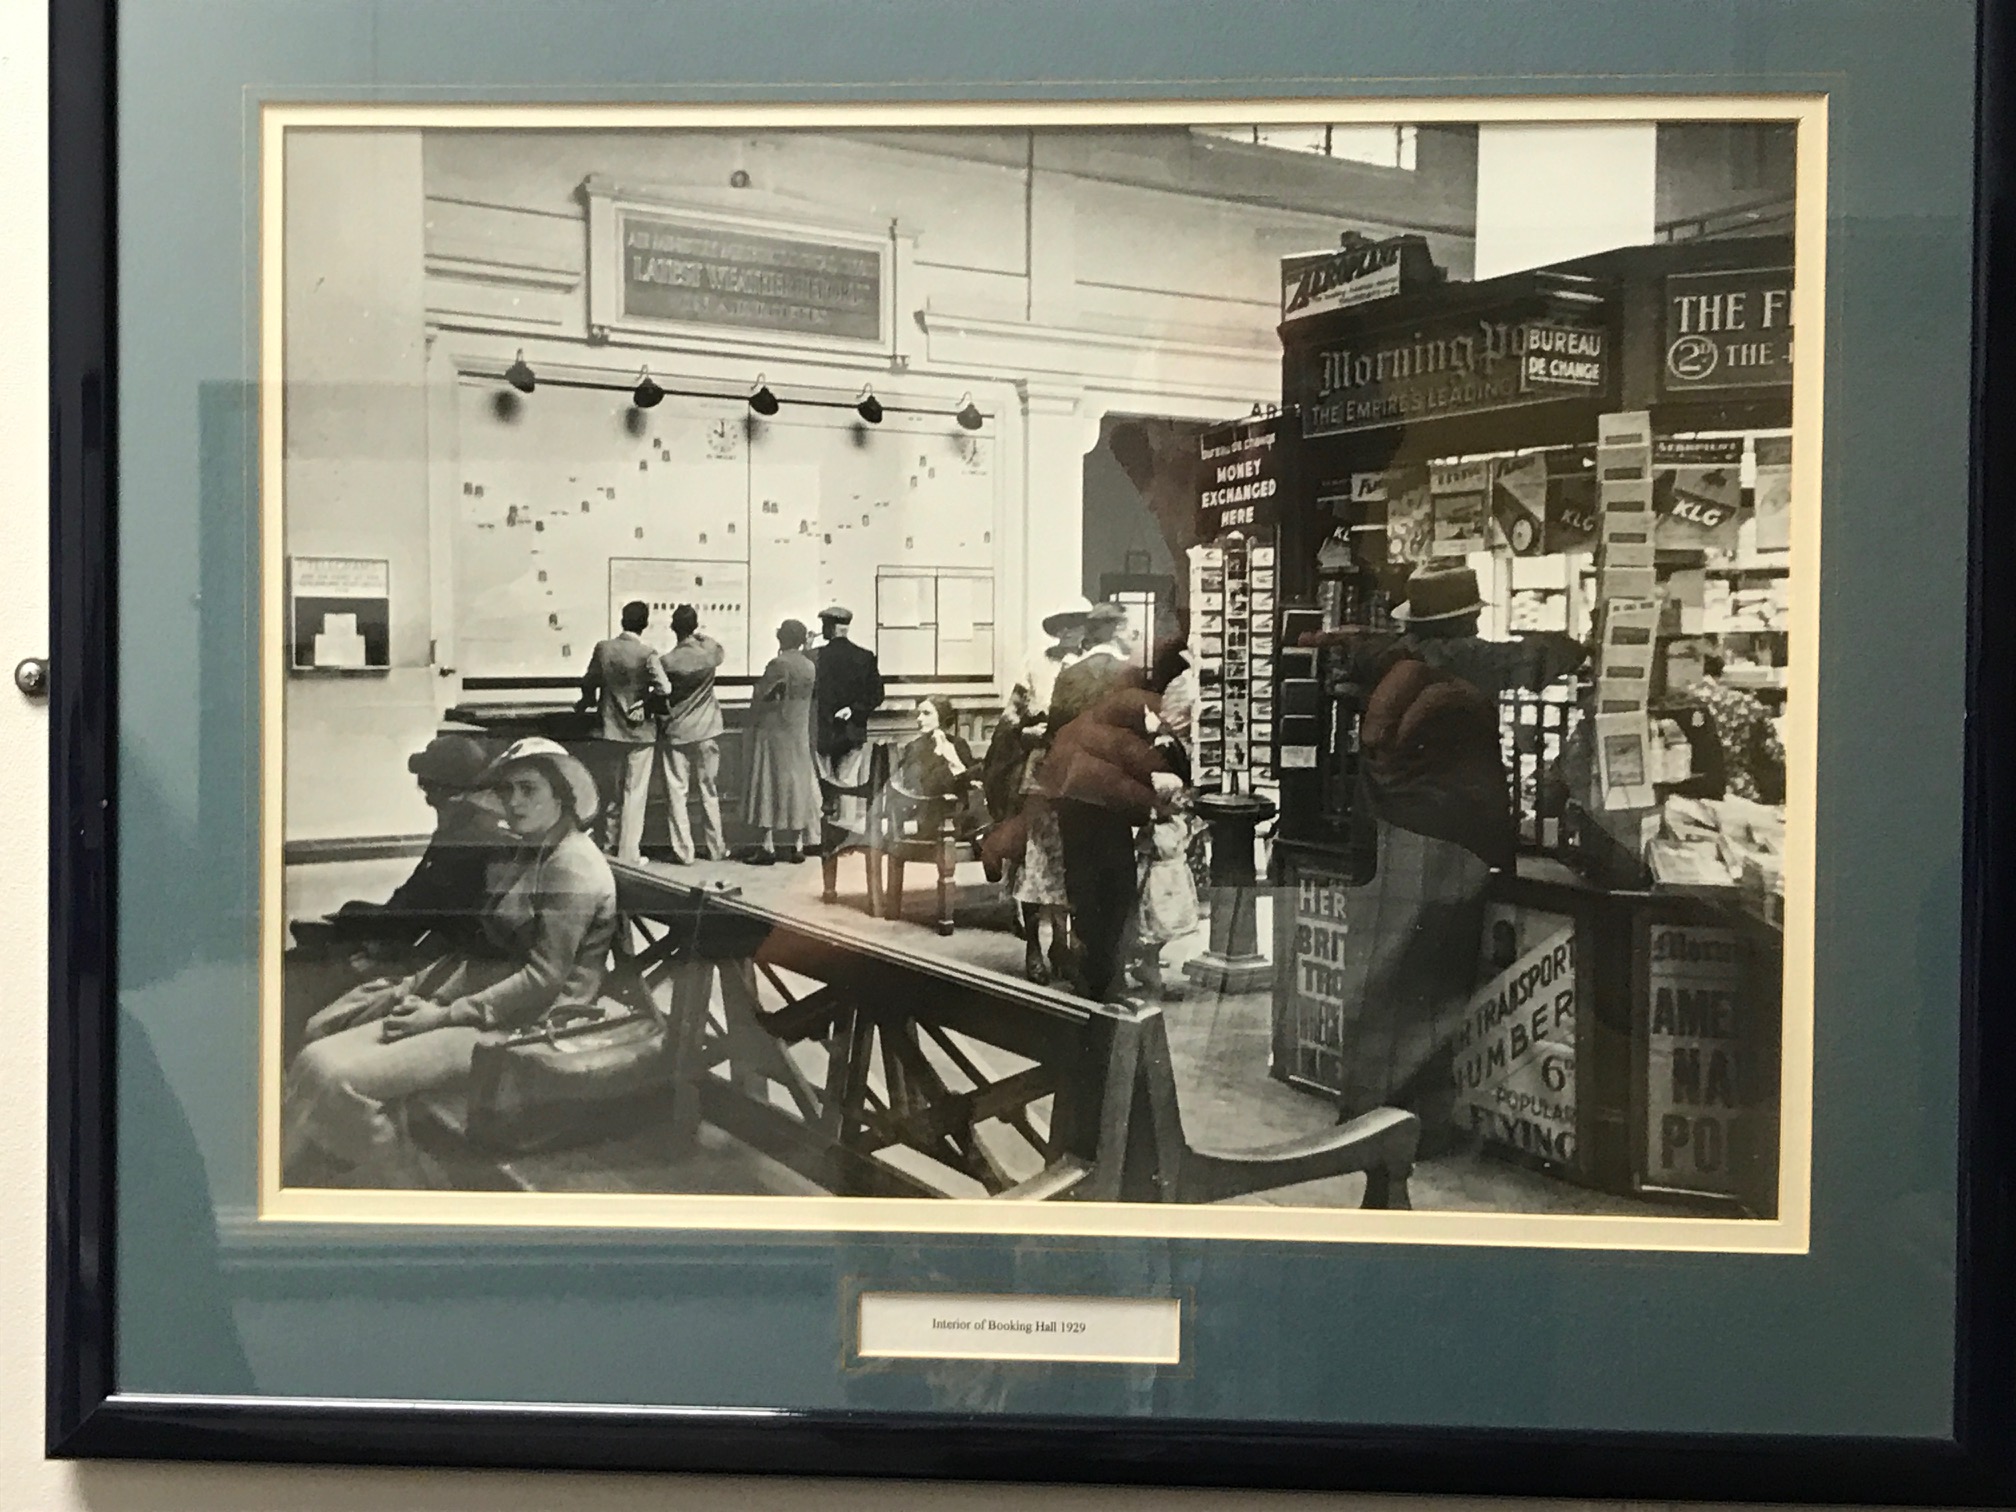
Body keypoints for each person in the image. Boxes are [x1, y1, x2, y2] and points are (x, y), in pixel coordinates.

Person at [1312, 559, 1589, 1125]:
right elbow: (1551, 655)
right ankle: (1401, 1121)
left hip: (1385, 829)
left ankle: (1363, 1110)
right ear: (1466, 619)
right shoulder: (1468, 660)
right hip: (1448, 839)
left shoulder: (1388, 657)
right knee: (1432, 982)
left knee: (1380, 972)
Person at [282, 738, 618, 1186]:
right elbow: (481, 949)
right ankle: (345, 1173)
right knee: (315, 1050)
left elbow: (543, 979)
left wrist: (440, 1015)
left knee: (333, 1074)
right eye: (507, 791)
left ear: (564, 795)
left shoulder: (572, 866)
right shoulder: (531, 852)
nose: (513, 802)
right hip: (482, 1010)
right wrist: (418, 990)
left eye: (528, 789)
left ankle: (402, 1189)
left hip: (528, 1031)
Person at [284, 733, 511, 1062]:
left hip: (437, 964)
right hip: (416, 944)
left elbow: (416, 916)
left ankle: (292, 1068)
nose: (427, 795)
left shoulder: (469, 838)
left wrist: (361, 930)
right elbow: (411, 902)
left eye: (429, 787)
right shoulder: (459, 828)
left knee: (300, 980)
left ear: (441, 790)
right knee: (302, 963)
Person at [1045, 601, 1149, 1000]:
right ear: (1117, 629)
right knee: (1118, 884)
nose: (1133, 634)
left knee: (1082, 881)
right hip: (1112, 794)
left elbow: (1056, 734)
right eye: (1130, 627)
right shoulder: (1127, 675)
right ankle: (1111, 978)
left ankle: (1087, 973)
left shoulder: (1068, 676)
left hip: (1073, 793)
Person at [1004, 600, 1088, 981]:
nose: (1071, 632)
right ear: (1055, 630)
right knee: (1035, 860)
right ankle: (1033, 946)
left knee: (1070, 861)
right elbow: (1010, 718)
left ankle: (1062, 942)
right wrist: (1024, 732)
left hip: (1077, 772)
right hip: (1040, 772)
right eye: (1064, 625)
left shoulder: (1090, 668)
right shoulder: (1035, 665)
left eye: (1078, 625)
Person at [578, 600, 670, 863]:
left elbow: (588, 681)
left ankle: (608, 846)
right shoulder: (647, 653)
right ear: (644, 624)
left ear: (622, 621)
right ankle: (629, 853)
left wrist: (586, 701)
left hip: (609, 728)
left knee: (612, 792)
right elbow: (665, 688)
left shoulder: (603, 648)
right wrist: (644, 702)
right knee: (635, 793)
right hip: (640, 733)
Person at [741, 618, 821, 864]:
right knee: (797, 785)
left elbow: (761, 694)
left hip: (774, 731)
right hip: (799, 731)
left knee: (768, 783)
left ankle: (768, 846)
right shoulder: (809, 665)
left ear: (781, 639)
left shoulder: (778, 663)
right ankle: (797, 844)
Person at [810, 604, 886, 852]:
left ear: (829, 628)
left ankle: (822, 837)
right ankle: (844, 841)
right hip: (852, 732)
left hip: (822, 732)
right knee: (848, 785)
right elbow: (877, 695)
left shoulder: (816, 657)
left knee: (822, 785)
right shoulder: (864, 657)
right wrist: (854, 710)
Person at [656, 603, 727, 864]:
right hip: (707, 730)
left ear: (673, 627)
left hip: (677, 731)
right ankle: (716, 848)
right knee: (709, 791)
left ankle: (684, 852)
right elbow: (718, 649)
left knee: (677, 792)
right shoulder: (709, 655)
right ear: (695, 627)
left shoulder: (667, 662)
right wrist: (701, 636)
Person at [1693, 649, 1786, 803]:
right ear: (1720, 674)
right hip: (1737, 792)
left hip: (1689, 793)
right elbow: (1774, 754)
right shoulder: (1743, 703)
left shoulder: (1677, 703)